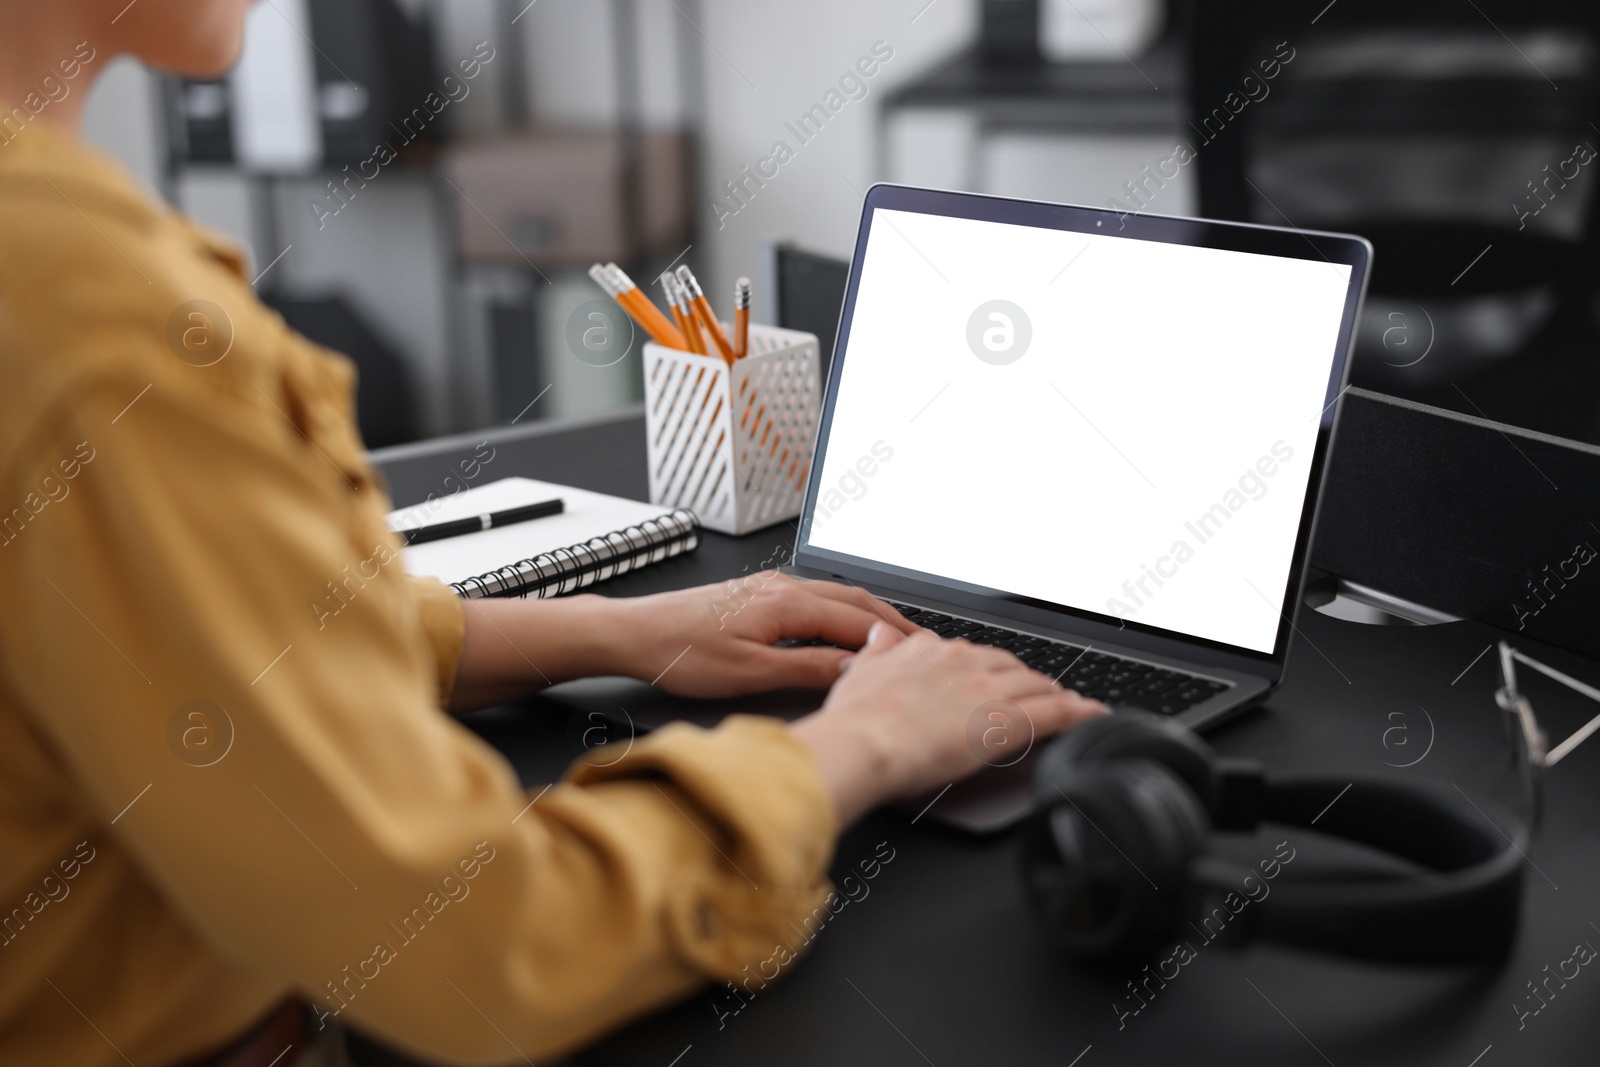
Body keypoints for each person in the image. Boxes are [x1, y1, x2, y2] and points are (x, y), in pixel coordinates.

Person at [0, 3, 1107, 1065]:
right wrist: (858, 744)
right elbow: (480, 944)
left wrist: (620, 631)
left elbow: (221, 653)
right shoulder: (96, 320)